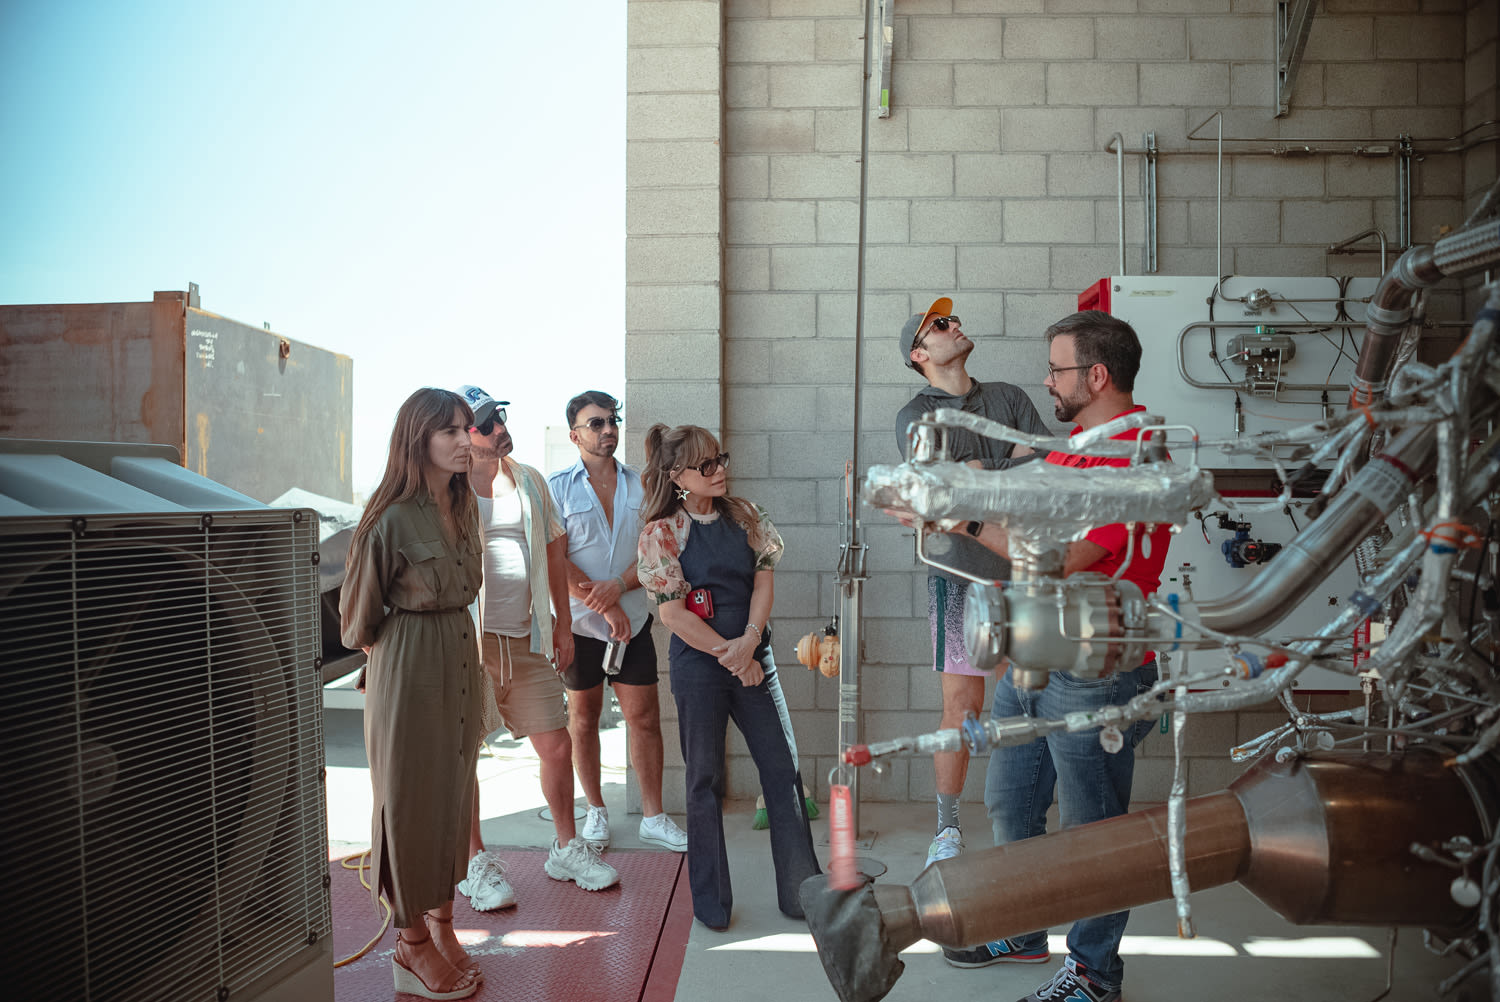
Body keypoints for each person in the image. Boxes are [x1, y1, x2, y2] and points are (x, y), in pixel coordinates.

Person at [941, 311, 1169, 1002]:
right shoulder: (1076, 447)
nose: (1047, 380)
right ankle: (1024, 928)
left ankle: (1096, 974)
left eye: (1057, 368)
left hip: (1097, 666)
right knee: (1011, 800)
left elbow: (1066, 556)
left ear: (1096, 375)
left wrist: (966, 521)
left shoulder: (1136, 451)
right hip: (1037, 651)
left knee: (1092, 829)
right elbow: (1030, 520)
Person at [637, 423, 820, 930]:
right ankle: (711, 903)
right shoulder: (661, 532)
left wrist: (750, 642)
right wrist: (732, 654)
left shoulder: (747, 516)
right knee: (704, 780)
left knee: (783, 772)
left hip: (753, 656)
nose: (720, 471)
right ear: (678, 477)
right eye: (706, 465)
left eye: (721, 459)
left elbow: (764, 583)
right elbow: (673, 614)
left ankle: (802, 892)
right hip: (701, 665)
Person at [894, 296, 1049, 882]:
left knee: (1027, 700)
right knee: (963, 706)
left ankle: (1020, 825)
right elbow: (948, 489)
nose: (954, 326)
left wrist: (987, 475)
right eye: (940, 325)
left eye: (952, 319)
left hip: (1027, 573)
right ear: (919, 353)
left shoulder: (1008, 397)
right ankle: (948, 829)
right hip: (960, 578)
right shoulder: (915, 416)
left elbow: (1043, 470)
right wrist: (991, 472)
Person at [339, 387, 483, 1000]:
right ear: (416, 438)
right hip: (409, 658)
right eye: (448, 431)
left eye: (466, 429)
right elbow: (356, 622)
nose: (462, 441)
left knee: (455, 793)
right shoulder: (389, 518)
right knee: (406, 800)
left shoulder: (466, 504)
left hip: (459, 649)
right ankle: (411, 943)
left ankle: (443, 924)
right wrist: (400, 660)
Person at [454, 385, 619, 913]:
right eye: (487, 423)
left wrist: (564, 626)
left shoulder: (527, 480)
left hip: (527, 637)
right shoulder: (446, 487)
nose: (500, 427)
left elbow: (553, 552)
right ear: (464, 435)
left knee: (555, 743)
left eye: (500, 416)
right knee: (465, 757)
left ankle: (566, 848)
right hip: (468, 644)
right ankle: (473, 863)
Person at [547, 391, 688, 853]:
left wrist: (621, 588)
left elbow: (656, 550)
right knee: (582, 720)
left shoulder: (642, 486)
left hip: (634, 622)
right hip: (580, 627)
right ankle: (596, 812)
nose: (608, 429)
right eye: (596, 423)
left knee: (644, 718)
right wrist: (602, 601)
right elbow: (556, 560)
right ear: (574, 435)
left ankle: (653, 815)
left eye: (612, 421)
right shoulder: (557, 488)